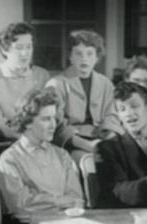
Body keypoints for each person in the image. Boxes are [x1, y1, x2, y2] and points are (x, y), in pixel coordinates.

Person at [0, 88, 83, 223]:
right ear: (27, 121)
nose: (53, 125)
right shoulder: (9, 160)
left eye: (54, 118)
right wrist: (60, 201)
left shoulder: (62, 155)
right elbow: (21, 206)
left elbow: (76, 199)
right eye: (46, 119)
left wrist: (42, 200)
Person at [46, 30, 114, 162]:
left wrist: (108, 137)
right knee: (89, 161)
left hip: (101, 138)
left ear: (97, 58)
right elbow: (55, 125)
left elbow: (112, 116)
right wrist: (87, 145)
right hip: (72, 142)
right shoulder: (56, 84)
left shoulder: (106, 84)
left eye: (89, 53)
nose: (84, 58)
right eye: (78, 53)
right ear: (70, 57)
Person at [0, 22, 50, 140]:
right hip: (7, 141)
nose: (25, 53)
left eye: (28, 47)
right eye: (19, 48)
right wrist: (26, 139)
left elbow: (48, 117)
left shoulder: (42, 76)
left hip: (41, 139)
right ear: (5, 50)